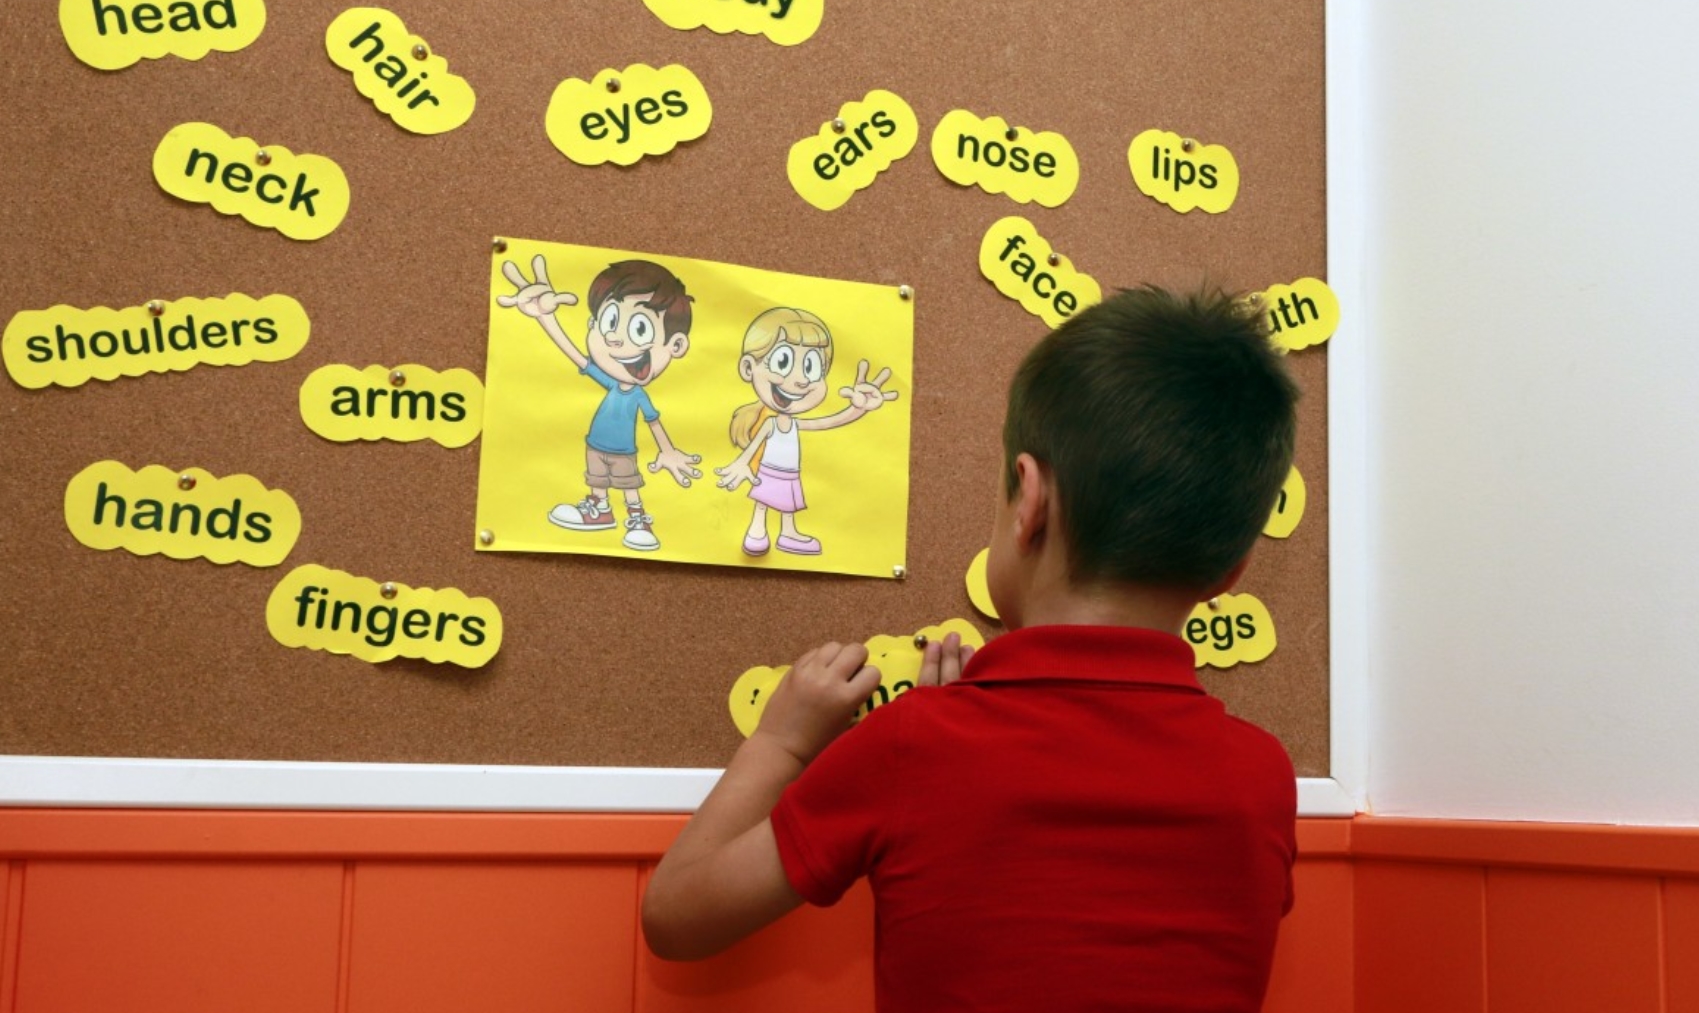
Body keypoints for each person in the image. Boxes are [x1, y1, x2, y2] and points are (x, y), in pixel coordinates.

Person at [643, 285, 1300, 1013]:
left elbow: (676, 914)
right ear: (1231, 571)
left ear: (1029, 501)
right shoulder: (1262, 777)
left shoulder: (911, 748)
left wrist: (783, 744)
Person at [497, 256, 702, 551]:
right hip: (595, 444)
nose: (615, 339)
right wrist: (545, 318)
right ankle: (599, 510)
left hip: (624, 452)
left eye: (639, 328)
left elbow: (653, 421)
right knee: (596, 480)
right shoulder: (610, 382)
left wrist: (668, 451)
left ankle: (638, 519)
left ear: (676, 345)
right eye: (609, 322)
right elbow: (576, 356)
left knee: (629, 484)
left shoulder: (638, 395)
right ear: (593, 324)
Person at [714, 306, 898, 557]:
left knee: (788, 503)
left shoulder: (794, 424)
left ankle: (788, 533)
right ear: (748, 368)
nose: (801, 380)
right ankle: (757, 530)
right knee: (763, 501)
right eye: (783, 362)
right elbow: (753, 447)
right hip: (769, 471)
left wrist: (859, 408)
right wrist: (740, 463)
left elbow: (831, 421)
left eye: (812, 367)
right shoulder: (770, 424)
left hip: (790, 474)